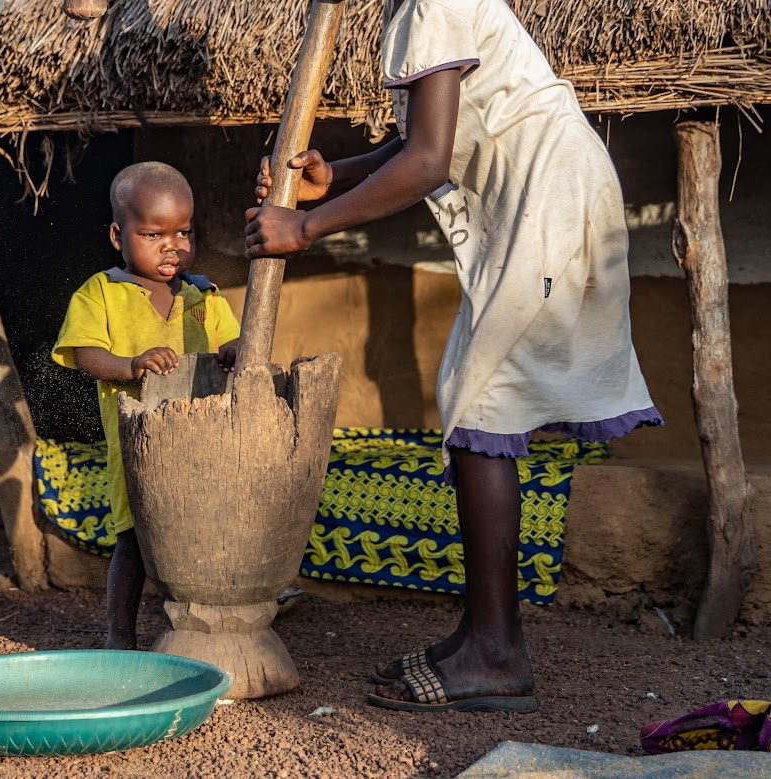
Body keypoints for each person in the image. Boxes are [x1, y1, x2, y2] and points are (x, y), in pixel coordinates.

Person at [245, 0, 662, 713]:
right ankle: (481, 632)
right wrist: (335, 175)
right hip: (545, 197)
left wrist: (307, 226)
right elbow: (434, 140)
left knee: (482, 398)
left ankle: (497, 652)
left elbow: (429, 161)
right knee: (472, 391)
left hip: (549, 199)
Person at [52, 162, 241, 650]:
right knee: (133, 540)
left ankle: (212, 631)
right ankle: (120, 637)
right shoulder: (101, 294)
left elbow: (238, 347)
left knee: (208, 535)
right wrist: (132, 364)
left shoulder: (204, 298)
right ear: (119, 235)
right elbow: (87, 355)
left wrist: (234, 353)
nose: (172, 245)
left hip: (204, 445)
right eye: (153, 233)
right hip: (135, 447)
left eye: (183, 232)